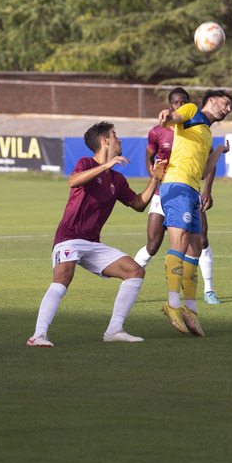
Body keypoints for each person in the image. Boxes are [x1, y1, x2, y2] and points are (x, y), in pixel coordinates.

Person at [27, 121, 167, 347]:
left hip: (92, 243)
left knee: (135, 271)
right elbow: (73, 181)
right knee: (63, 278)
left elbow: (139, 204)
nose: (120, 140)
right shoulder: (86, 163)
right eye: (115, 135)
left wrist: (155, 179)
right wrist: (105, 165)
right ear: (105, 140)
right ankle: (38, 335)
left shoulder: (118, 179)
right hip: (69, 237)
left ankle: (114, 330)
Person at [157, 89, 232, 336]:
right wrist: (168, 117)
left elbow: (203, 172)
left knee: (195, 250)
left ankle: (190, 309)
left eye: (231, 107)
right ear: (211, 100)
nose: (228, 109)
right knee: (179, 245)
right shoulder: (192, 111)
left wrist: (219, 151)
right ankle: (172, 304)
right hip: (176, 185)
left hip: (192, 189)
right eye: (225, 103)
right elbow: (174, 119)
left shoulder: (207, 133)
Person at [134, 88, 223, 304]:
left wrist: (208, 190)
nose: (179, 106)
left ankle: (207, 291)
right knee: (154, 244)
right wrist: (154, 179)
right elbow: (149, 156)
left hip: (190, 190)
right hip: (164, 189)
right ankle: (132, 281)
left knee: (200, 238)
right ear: (170, 104)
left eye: (183, 102)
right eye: (175, 103)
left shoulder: (197, 127)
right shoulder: (159, 131)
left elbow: (206, 164)